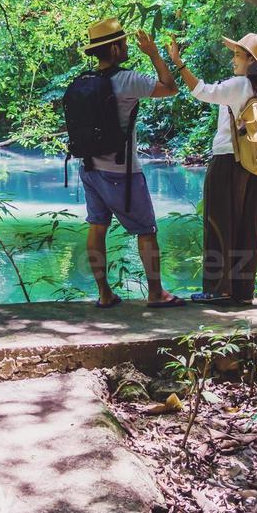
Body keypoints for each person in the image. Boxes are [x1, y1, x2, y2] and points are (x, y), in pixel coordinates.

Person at [75, 17, 185, 309]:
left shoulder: (83, 82)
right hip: (121, 173)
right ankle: (156, 293)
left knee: (97, 227)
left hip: (89, 169)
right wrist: (153, 54)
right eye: (122, 43)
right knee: (146, 230)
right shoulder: (127, 80)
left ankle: (104, 294)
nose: (126, 47)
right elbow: (170, 87)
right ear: (113, 49)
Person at [166, 32, 257, 305]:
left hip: (228, 161)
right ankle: (242, 293)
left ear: (250, 60)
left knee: (218, 224)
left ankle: (217, 290)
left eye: (237, 55)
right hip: (255, 165)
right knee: (247, 226)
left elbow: (201, 91)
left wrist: (178, 62)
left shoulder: (240, 85)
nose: (233, 60)